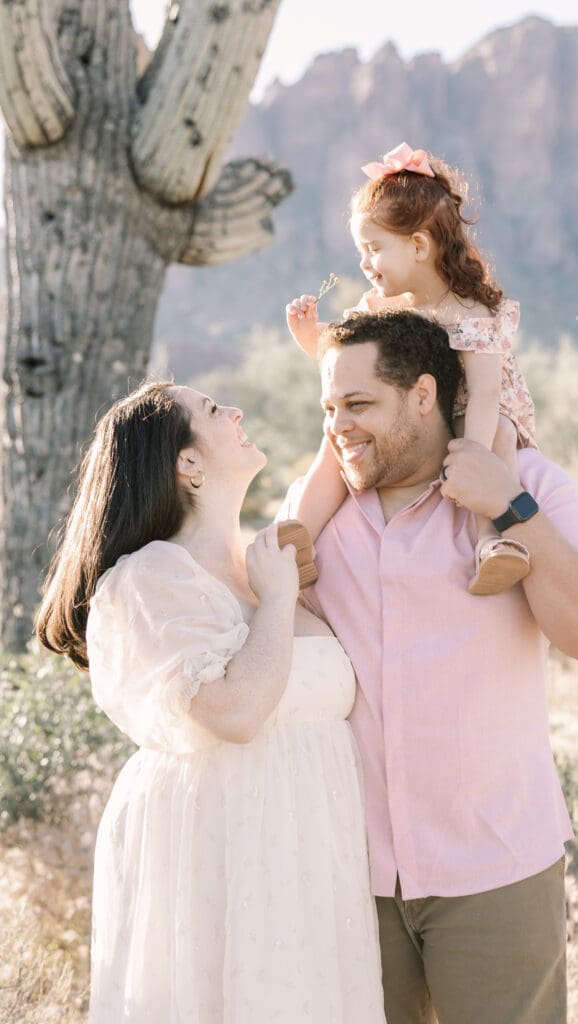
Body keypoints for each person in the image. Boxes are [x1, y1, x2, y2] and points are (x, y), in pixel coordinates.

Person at [281, 309, 578, 1024]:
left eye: (358, 404)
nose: (337, 425)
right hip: (353, 884)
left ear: (422, 395)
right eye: (327, 407)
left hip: (494, 870)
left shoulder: (528, 482)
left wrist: (508, 507)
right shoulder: (315, 517)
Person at [35, 380, 386, 1023]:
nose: (237, 412)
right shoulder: (151, 577)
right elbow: (236, 712)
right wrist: (279, 602)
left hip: (309, 853)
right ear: (187, 464)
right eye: (214, 411)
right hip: (218, 851)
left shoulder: (263, 564)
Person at [287, 141, 535, 595]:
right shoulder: (379, 306)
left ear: (419, 245)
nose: (364, 263)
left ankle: (492, 541)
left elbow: (483, 394)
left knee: (497, 433)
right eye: (361, 249)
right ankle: (298, 538)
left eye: (374, 248)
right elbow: (354, 372)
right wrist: (313, 340)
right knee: (336, 439)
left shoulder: (470, 313)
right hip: (410, 414)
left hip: (471, 412)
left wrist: (470, 456)